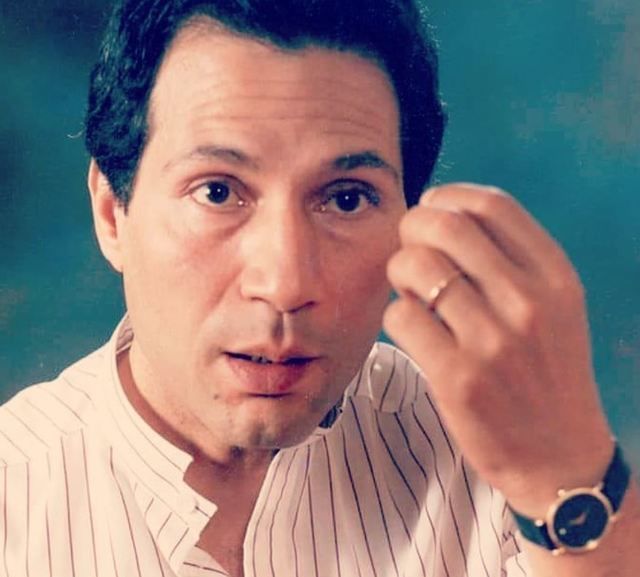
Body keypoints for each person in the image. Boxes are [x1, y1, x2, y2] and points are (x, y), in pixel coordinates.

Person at [0, 0, 638, 575]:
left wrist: (567, 476)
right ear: (112, 215)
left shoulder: (506, 462)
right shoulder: (14, 495)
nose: (285, 285)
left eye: (346, 198)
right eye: (217, 191)